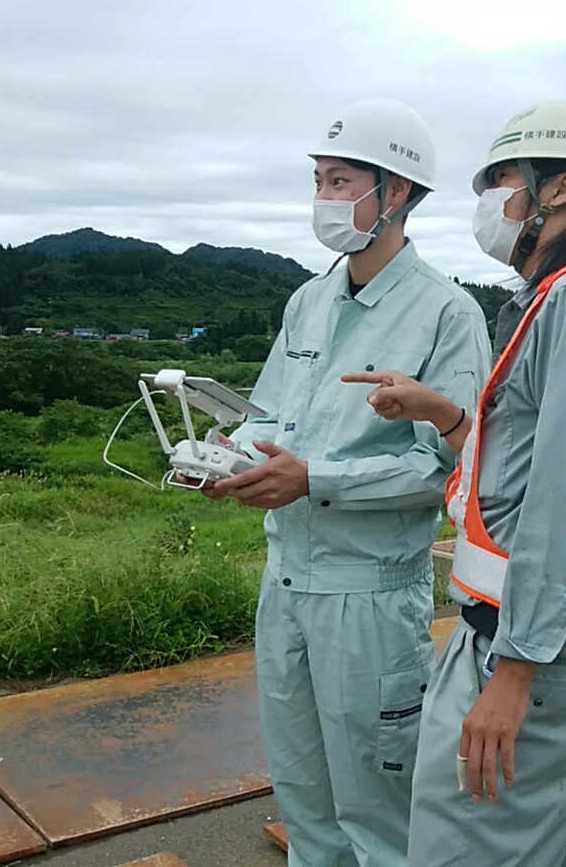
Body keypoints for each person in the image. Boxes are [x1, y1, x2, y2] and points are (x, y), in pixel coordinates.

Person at [344, 100, 566, 867]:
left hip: (532, 646)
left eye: (500, 179)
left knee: (464, 847)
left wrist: (514, 674)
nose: (487, 202)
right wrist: (449, 417)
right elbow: (535, 466)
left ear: (560, 189)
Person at [208, 98, 492, 867]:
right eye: (319, 181)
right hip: (286, 581)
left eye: (340, 182)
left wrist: (314, 481)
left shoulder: (447, 313)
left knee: (375, 796)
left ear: (394, 193)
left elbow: (446, 465)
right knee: (302, 789)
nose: (323, 198)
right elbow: (265, 414)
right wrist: (226, 458)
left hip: (368, 590)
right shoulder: (308, 300)